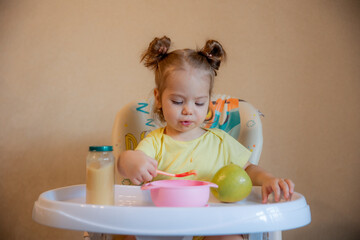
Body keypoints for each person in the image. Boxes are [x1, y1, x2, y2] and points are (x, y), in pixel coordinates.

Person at [117, 36, 295, 240]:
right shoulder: (155, 142)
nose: (188, 111)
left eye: (199, 103)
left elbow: (248, 169)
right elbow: (127, 164)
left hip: (212, 227)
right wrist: (128, 161)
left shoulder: (221, 141)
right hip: (162, 228)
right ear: (158, 98)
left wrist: (268, 179)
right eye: (177, 101)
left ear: (209, 101)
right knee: (126, 235)